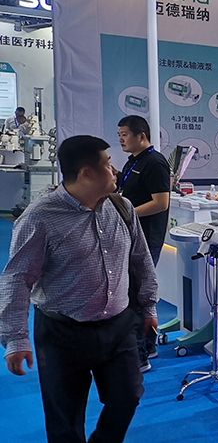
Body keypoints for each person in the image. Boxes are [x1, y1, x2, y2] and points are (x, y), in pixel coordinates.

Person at [0, 135, 158, 443]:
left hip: (118, 326)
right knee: (65, 420)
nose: (115, 170)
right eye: (108, 164)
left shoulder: (122, 207)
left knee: (128, 397)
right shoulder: (40, 217)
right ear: (86, 173)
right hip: (62, 333)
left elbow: (141, 260)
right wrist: (16, 338)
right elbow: (17, 279)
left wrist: (148, 305)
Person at [117, 115, 169, 372]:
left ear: (141, 135)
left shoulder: (155, 162)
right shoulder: (133, 161)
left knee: (138, 294)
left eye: (125, 135)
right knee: (134, 293)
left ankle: (142, 354)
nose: (121, 140)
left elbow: (161, 203)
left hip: (147, 237)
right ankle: (147, 346)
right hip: (132, 235)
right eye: (119, 135)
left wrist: (127, 214)